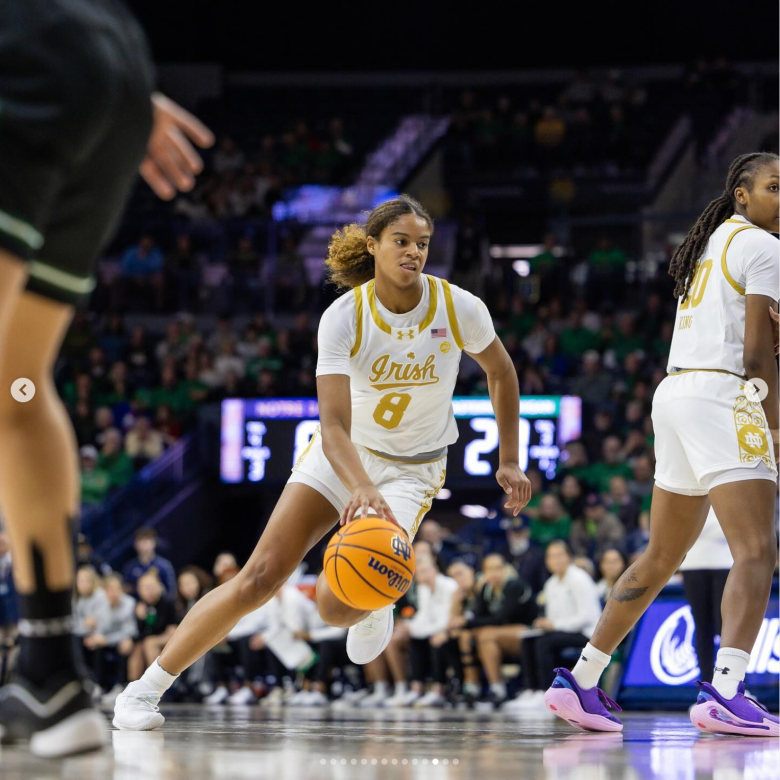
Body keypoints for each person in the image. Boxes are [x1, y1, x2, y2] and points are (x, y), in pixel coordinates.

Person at [114, 194, 532, 730]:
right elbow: (331, 424)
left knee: (335, 608)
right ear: (374, 245)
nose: (413, 252)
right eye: (401, 241)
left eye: (422, 244)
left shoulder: (458, 308)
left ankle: (378, 601)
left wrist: (510, 458)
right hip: (342, 456)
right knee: (259, 577)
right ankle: (142, 692)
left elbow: (502, 372)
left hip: (413, 469)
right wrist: (359, 487)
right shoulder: (344, 316)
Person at [0, 0, 212, 755]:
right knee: (16, 383)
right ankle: (51, 676)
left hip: (25, 47)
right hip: (105, 59)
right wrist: (104, 79)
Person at [545, 152, 779, 737]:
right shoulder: (764, 247)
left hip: (674, 395)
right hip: (726, 394)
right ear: (742, 195)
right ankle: (726, 689)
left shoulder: (708, 247)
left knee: (660, 556)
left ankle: (581, 678)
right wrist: (773, 425)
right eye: (774, 186)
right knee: (756, 550)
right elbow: (756, 356)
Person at [509, 541, 602, 712]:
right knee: (528, 640)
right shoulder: (550, 584)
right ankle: (531, 690)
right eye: (551, 556)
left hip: (585, 633)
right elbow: (553, 618)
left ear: (569, 557)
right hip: (561, 631)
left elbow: (587, 616)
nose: (556, 560)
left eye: (560, 555)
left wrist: (554, 625)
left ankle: (547, 691)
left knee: (543, 643)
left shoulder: (579, 579)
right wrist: (544, 624)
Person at [449, 554, 538, 706]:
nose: (493, 573)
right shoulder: (486, 588)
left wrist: (466, 622)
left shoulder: (514, 585)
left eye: (497, 568)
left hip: (528, 630)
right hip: (500, 633)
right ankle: (473, 687)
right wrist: (464, 622)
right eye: (489, 569)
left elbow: (500, 619)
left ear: (505, 569)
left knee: (485, 635)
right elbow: (478, 616)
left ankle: (498, 688)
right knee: (466, 635)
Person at [680, 508, 733, 684]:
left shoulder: (729, 486)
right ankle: (706, 686)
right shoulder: (688, 487)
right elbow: (680, 526)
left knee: (727, 627)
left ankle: (733, 686)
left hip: (726, 564)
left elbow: (733, 527)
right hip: (693, 566)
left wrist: (698, 528)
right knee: (702, 629)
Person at [128, 573, 177, 683]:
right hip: (146, 639)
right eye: (146, 588)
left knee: (150, 643)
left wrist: (145, 617)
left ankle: (155, 682)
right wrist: (140, 619)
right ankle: (132, 684)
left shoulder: (168, 603)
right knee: (137, 648)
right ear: (139, 590)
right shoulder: (139, 605)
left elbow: (172, 628)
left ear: (159, 587)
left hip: (167, 637)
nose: (150, 591)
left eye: (152, 587)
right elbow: (139, 631)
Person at [121, 528, 177, 597]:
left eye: (147, 541)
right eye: (141, 541)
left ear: (154, 542)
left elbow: (171, 590)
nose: (144, 545)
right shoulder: (130, 567)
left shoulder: (164, 565)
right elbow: (125, 590)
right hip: (137, 605)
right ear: (135, 544)